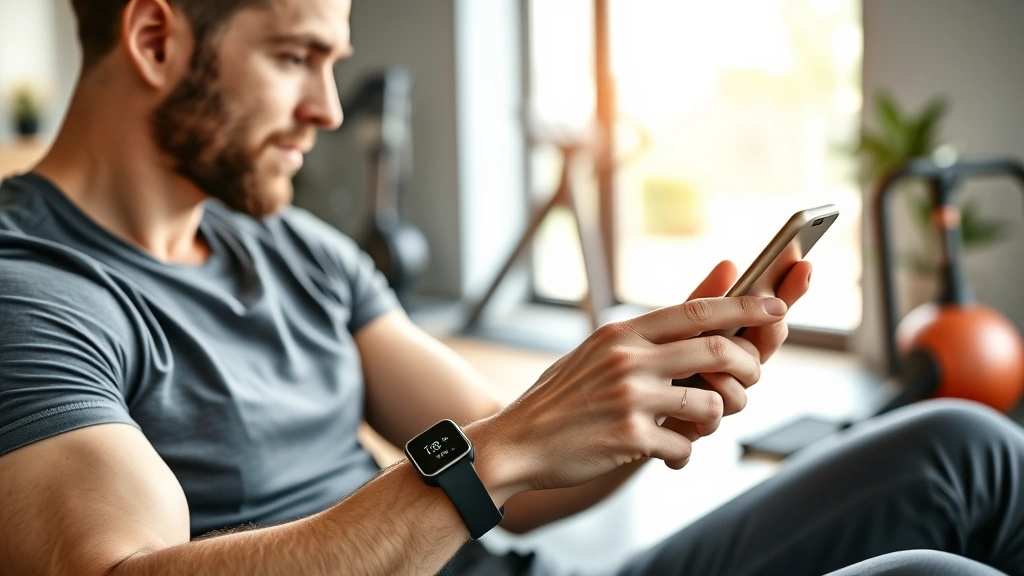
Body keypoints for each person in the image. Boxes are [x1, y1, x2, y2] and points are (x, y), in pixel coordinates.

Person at [0, 1, 1021, 575]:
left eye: (333, 62)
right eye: (294, 57)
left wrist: (638, 411)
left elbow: (514, 483)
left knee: (967, 447)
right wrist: (498, 449)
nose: (325, 109)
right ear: (153, 38)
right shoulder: (35, 291)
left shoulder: (299, 252)